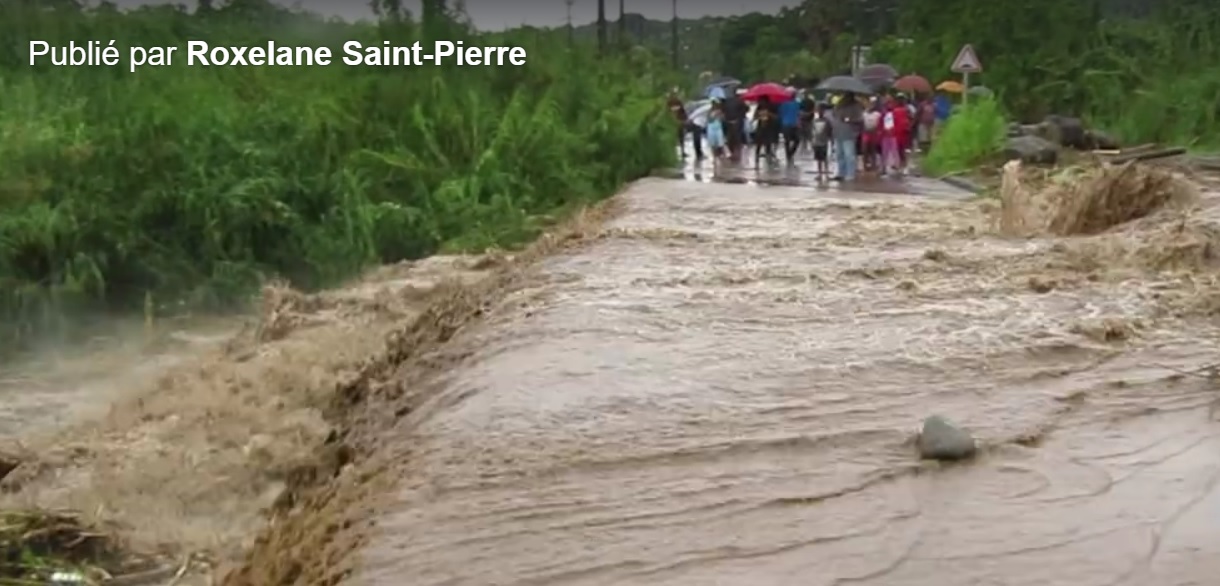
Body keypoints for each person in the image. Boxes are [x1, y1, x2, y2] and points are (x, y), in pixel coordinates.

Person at [829, 91, 864, 181]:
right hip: (838, 132)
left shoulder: (856, 106)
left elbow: (860, 119)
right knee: (839, 154)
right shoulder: (839, 105)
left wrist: (849, 119)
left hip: (849, 133)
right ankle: (841, 172)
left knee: (849, 155)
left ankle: (850, 174)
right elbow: (834, 115)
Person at [881, 94, 911, 176]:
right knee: (897, 151)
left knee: (902, 150)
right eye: (899, 99)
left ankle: (903, 166)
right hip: (896, 133)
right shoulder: (894, 111)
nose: (900, 101)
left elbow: (910, 120)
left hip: (903, 133)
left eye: (902, 99)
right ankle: (899, 165)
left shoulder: (906, 110)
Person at [861, 98, 883, 172]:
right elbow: (861, 123)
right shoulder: (863, 114)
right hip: (865, 132)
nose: (870, 106)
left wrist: (877, 130)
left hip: (874, 133)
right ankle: (865, 165)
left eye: (872, 105)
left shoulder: (877, 114)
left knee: (873, 149)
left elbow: (880, 123)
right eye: (869, 105)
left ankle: (873, 164)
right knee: (865, 150)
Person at [778, 95, 801, 163]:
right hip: (789, 124)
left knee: (793, 140)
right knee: (793, 140)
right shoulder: (785, 104)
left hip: (789, 124)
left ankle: (789, 154)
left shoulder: (795, 103)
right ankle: (789, 155)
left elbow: (780, 114)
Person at [811, 103, 831, 180]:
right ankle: (819, 173)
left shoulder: (827, 121)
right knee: (818, 159)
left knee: (824, 158)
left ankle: (826, 173)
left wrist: (830, 139)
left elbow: (829, 131)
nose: (820, 112)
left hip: (824, 142)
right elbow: (812, 131)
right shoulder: (814, 121)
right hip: (816, 141)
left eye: (821, 110)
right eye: (818, 110)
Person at [666, 89, 688, 157]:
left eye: (675, 94)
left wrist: (684, 120)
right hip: (671, 124)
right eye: (673, 94)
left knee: (681, 138)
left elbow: (683, 112)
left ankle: (682, 151)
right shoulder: (668, 103)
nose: (674, 96)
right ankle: (672, 153)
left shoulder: (679, 102)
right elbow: (666, 113)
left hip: (679, 123)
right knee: (671, 139)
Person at [705, 99, 727, 167]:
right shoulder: (709, 111)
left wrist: (720, 115)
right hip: (711, 128)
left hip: (718, 128)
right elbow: (709, 120)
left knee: (720, 143)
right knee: (713, 143)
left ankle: (722, 155)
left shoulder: (720, 111)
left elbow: (723, 119)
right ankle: (714, 157)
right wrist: (714, 115)